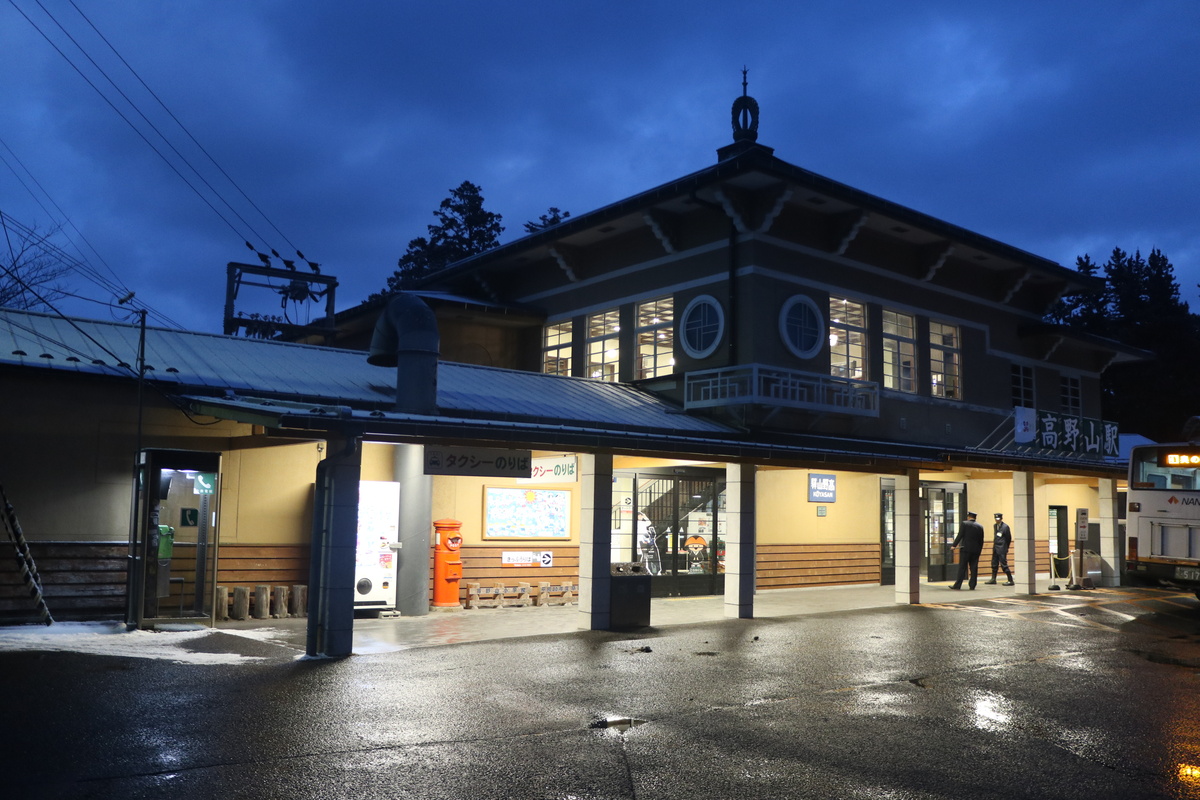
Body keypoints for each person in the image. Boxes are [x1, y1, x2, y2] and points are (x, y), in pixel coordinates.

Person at [950, 511, 985, 590]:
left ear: (969, 517)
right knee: (974, 568)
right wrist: (979, 551)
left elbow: (960, 535)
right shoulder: (980, 526)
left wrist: (954, 545)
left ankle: (958, 585)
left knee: (962, 567)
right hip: (976, 551)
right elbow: (981, 540)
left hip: (965, 549)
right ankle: (972, 585)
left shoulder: (965, 524)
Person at [985, 513, 1014, 585]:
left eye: (998, 519)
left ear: (1001, 519)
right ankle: (993, 579)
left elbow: (1008, 538)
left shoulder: (1005, 527)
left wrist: (1006, 547)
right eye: (996, 519)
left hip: (1002, 548)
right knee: (994, 563)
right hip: (995, 547)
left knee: (1003, 564)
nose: (997, 520)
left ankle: (1010, 580)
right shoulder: (995, 526)